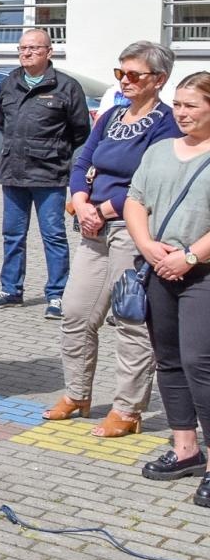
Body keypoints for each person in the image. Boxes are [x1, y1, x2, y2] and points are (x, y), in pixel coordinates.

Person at [51, 41, 181, 435]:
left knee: (130, 319)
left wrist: (105, 209)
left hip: (131, 230)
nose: (124, 80)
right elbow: (83, 160)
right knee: (75, 313)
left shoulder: (167, 123)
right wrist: (79, 200)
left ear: (159, 80)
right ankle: (77, 393)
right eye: (120, 73)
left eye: (134, 75)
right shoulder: (110, 117)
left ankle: (128, 409)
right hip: (93, 228)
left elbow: (153, 179)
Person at [126, 72, 210, 502]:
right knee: (170, 361)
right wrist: (147, 246)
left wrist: (191, 256)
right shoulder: (159, 150)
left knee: (202, 364)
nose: (181, 113)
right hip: (160, 267)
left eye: (192, 105)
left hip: (203, 274)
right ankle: (185, 450)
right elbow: (135, 199)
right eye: (177, 104)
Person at [0, 28, 93, 319]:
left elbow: (81, 131)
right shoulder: (9, 83)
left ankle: (57, 295)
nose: (26, 53)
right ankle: (11, 290)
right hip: (13, 172)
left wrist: (62, 159)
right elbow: (1, 123)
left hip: (49, 174)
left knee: (53, 236)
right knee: (12, 235)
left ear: (49, 52)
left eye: (33, 48)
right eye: (22, 48)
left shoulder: (66, 86)